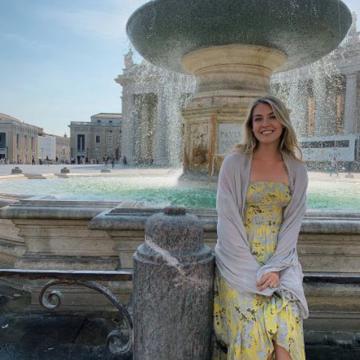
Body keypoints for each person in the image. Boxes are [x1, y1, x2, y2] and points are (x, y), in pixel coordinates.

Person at [214, 95, 308, 360]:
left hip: (282, 261)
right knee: (253, 326)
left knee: (287, 320)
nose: (265, 123)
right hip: (238, 262)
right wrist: (254, 271)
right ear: (251, 126)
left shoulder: (297, 169)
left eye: (272, 116)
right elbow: (228, 220)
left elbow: (292, 223)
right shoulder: (233, 164)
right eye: (258, 118)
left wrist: (276, 268)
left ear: (283, 122)